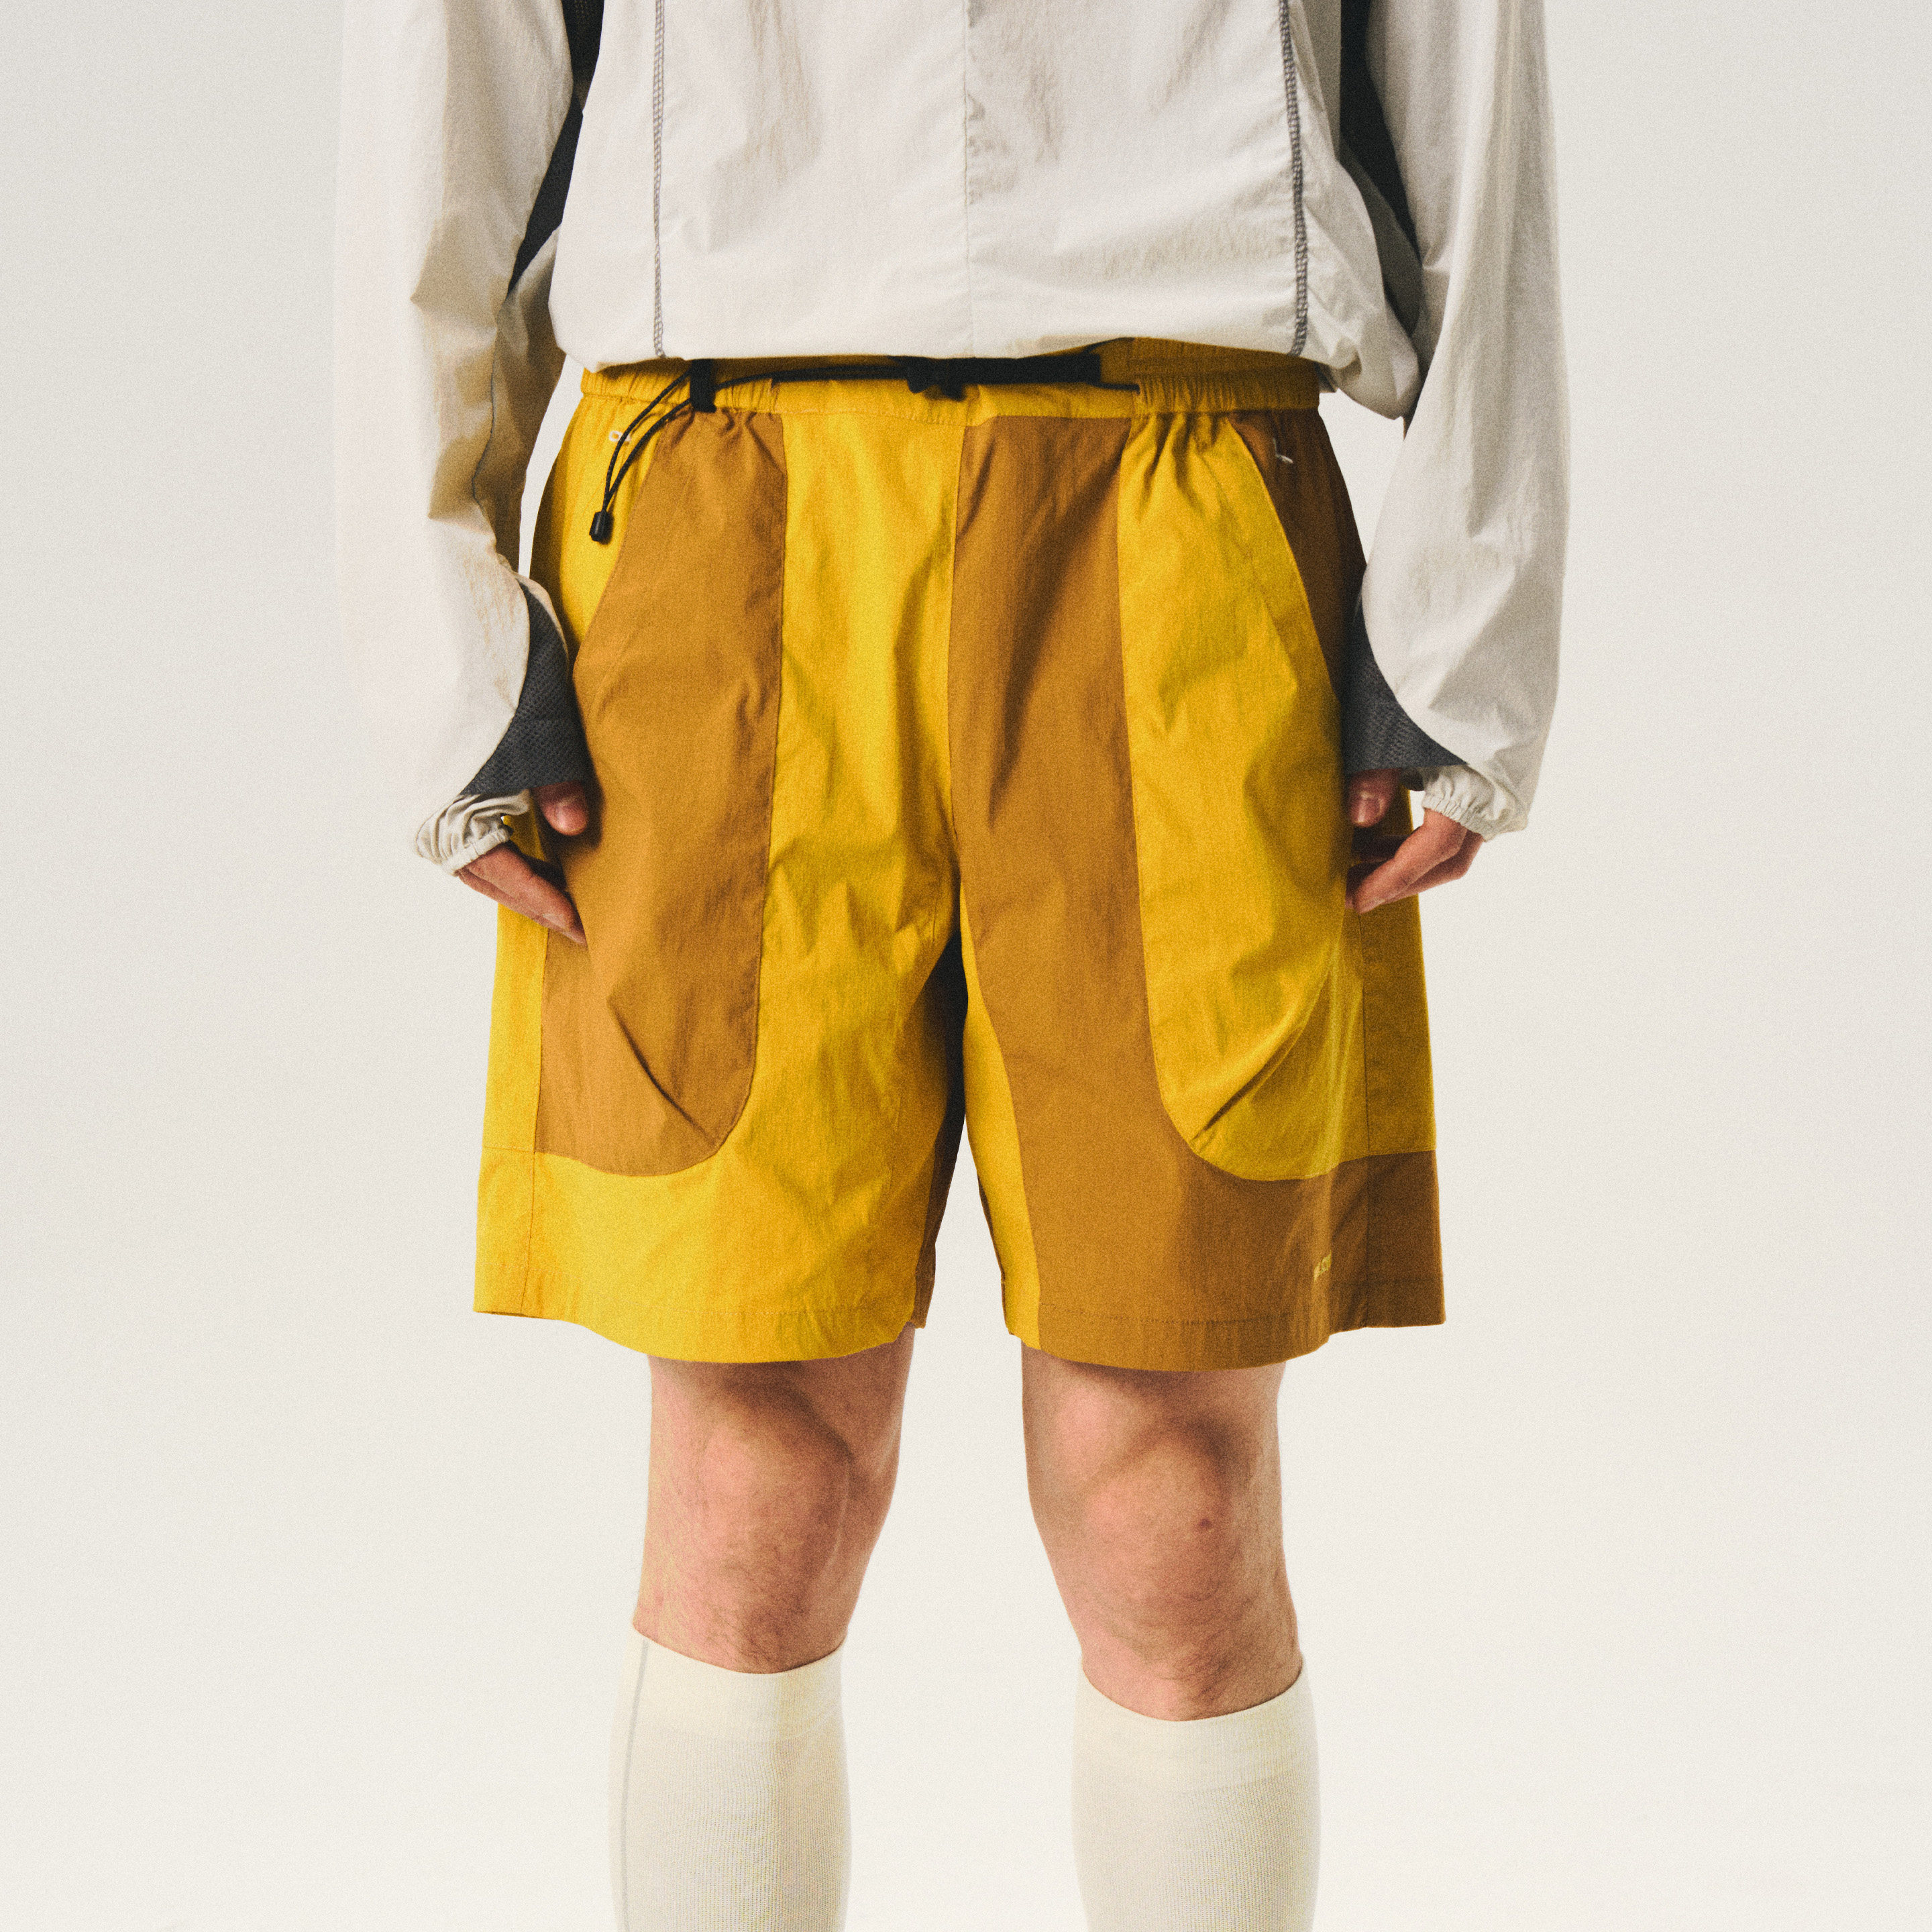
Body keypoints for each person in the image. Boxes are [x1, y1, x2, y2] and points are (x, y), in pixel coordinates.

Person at [334, 1, 1565, 1925]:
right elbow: (453, 60)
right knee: (756, 1471)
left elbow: (1468, 68)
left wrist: (1470, 605)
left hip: (1185, 484)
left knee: (1173, 1482)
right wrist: (441, 628)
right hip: (719, 493)